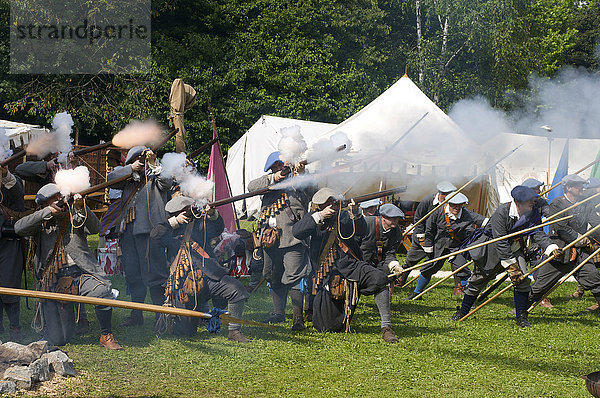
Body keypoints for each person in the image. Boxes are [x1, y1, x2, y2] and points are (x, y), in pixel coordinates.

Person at [15, 184, 122, 349]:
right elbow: (19, 228)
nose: (60, 199)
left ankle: (106, 335)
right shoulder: (41, 219)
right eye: (54, 198)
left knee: (101, 291)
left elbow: (96, 228)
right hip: (53, 280)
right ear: (45, 204)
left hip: (80, 275)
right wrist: (47, 212)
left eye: (60, 195)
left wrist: (82, 207)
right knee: (60, 338)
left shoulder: (75, 214)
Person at [292, 188, 400, 343]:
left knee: (381, 279)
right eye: (327, 202)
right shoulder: (314, 218)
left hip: (350, 265)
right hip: (325, 274)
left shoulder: (344, 216)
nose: (331, 204)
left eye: (333, 201)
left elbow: (362, 231)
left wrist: (356, 213)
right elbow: (297, 232)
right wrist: (320, 216)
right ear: (321, 205)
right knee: (325, 326)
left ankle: (387, 328)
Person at [451, 186, 559, 328]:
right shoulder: (502, 212)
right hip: (492, 249)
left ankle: (521, 317)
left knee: (522, 280)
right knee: (477, 280)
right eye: (529, 201)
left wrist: (551, 247)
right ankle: (463, 311)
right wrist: (511, 266)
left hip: (514, 248)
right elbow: (500, 241)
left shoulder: (532, 213)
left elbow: (537, 232)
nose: (533, 203)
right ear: (518, 203)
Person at [152, 195, 251, 342]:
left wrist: (212, 214)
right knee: (185, 332)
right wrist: (175, 222)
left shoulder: (199, 223)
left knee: (237, 290)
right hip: (183, 285)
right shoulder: (168, 228)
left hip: (208, 276)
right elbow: (155, 236)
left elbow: (217, 229)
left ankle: (234, 332)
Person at [106, 146, 172, 328]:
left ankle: (162, 315)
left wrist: (153, 164)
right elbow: (110, 179)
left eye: (143, 162)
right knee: (133, 275)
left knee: (155, 275)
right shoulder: (128, 178)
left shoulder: (156, 176)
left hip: (150, 233)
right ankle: (137, 315)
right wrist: (131, 169)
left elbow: (167, 183)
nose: (142, 165)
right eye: (139, 162)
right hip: (128, 232)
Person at [247, 151, 312, 330]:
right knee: (273, 276)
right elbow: (251, 186)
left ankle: (298, 318)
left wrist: (301, 173)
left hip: (292, 236)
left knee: (294, 277)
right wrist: (274, 177)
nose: (278, 168)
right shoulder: (270, 181)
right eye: (274, 167)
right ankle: (278, 314)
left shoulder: (299, 179)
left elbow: (311, 190)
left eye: (279, 165)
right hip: (270, 238)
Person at [529, 175, 600, 311]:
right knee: (540, 285)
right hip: (560, 251)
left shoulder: (586, 203)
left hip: (580, 252)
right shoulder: (557, 204)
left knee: (594, 278)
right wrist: (580, 238)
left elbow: (595, 224)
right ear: (568, 188)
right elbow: (561, 228)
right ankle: (521, 309)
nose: (582, 188)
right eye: (578, 185)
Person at [404, 193, 485, 300]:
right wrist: (428, 246)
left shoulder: (466, 216)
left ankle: (469, 300)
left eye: (459, 205)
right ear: (448, 203)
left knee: (462, 269)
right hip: (439, 245)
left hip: (457, 247)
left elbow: (469, 234)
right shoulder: (438, 211)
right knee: (428, 268)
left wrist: (468, 249)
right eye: (454, 205)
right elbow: (430, 229)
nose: (456, 208)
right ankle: (416, 293)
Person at [397, 181, 457, 286]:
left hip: (439, 238)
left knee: (436, 264)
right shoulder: (427, 201)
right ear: (442, 193)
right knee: (411, 260)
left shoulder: (452, 203)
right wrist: (421, 237)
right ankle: (400, 280)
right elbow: (418, 218)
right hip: (424, 236)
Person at [0, 164, 25, 341]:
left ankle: (15, 328)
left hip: (8, 241)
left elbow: (17, 193)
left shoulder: (11, 180)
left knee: (9, 288)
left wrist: (5, 173)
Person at [359, 203, 404, 282]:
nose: (395, 221)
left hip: (380, 262)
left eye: (397, 219)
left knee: (388, 277)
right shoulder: (366, 224)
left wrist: (394, 265)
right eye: (392, 218)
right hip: (359, 262)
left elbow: (390, 253)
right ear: (383, 217)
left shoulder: (397, 233)